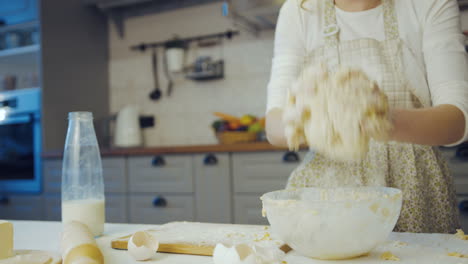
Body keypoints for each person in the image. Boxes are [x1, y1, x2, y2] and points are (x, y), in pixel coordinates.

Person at [265, 0, 468, 233]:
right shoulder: (300, 11)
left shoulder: (429, 4)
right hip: (327, 195)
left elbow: (458, 119)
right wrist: (313, 119)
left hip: (414, 189)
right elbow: (274, 127)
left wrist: (380, 120)